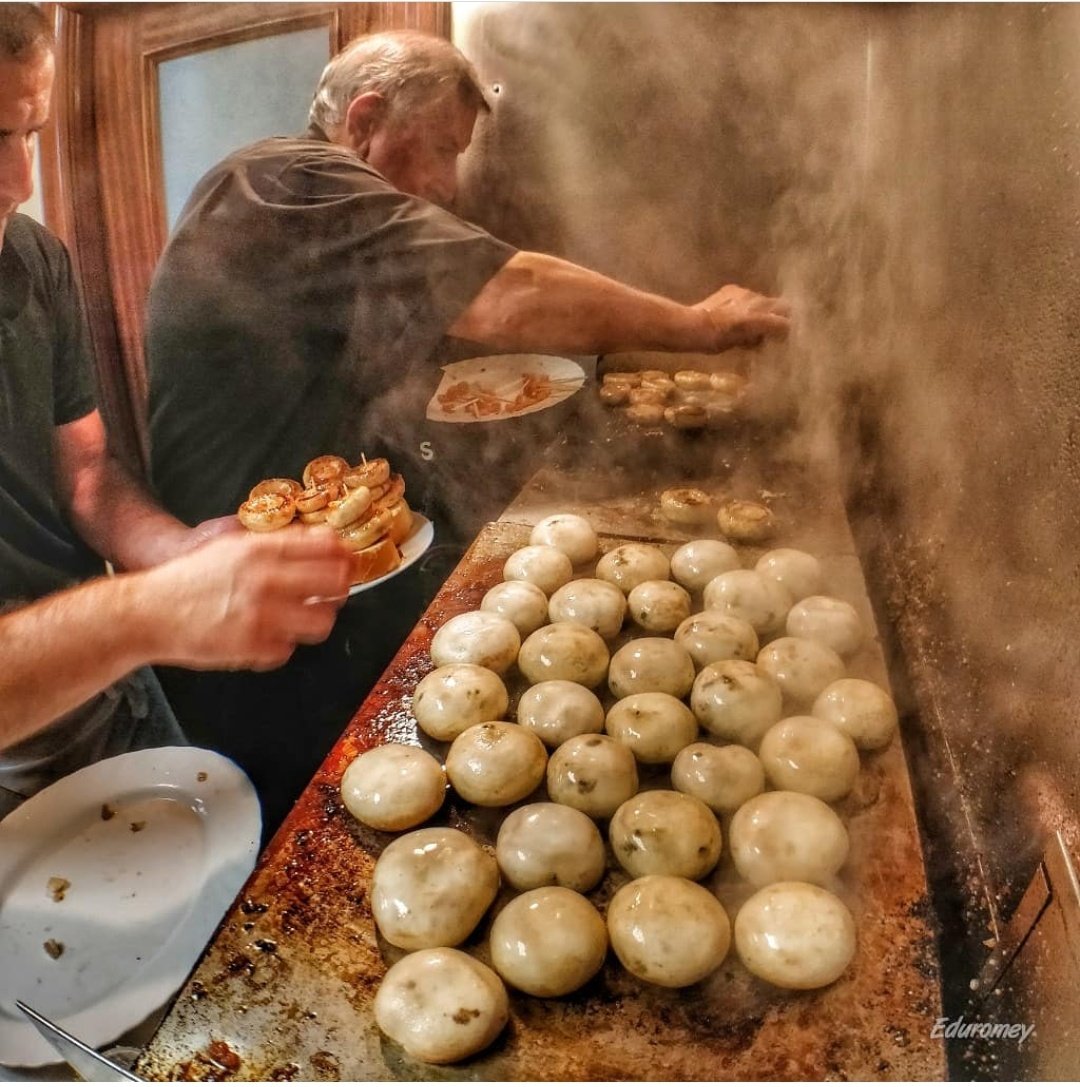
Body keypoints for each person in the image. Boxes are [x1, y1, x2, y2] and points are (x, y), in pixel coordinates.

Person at [144, 28, 789, 829]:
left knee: (335, 794)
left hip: (301, 574)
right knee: (286, 820)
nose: (451, 184)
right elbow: (506, 293)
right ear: (366, 118)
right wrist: (698, 324)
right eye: (445, 149)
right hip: (234, 588)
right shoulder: (289, 179)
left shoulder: (316, 209)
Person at [0, 3, 353, 820]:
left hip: (109, 688)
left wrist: (181, 548)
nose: (21, 183)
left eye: (29, 134)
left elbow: (85, 474)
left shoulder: (33, 258)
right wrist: (147, 611)